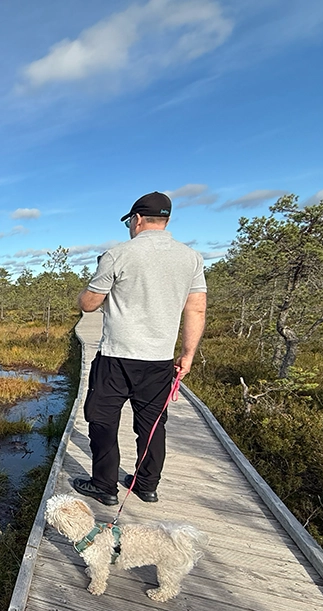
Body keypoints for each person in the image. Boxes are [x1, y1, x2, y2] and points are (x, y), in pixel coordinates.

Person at [71, 191, 207, 506]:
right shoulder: (191, 258)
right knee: (152, 424)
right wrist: (187, 355)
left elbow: (90, 305)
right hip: (159, 361)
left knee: (102, 419)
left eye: (130, 222)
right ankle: (146, 486)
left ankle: (104, 486)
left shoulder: (118, 255)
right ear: (167, 220)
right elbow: (196, 309)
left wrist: (83, 295)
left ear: (137, 219)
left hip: (116, 357)